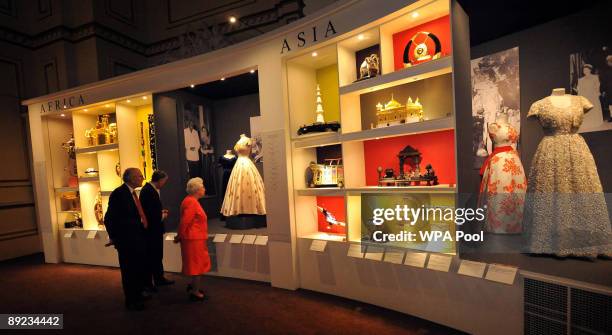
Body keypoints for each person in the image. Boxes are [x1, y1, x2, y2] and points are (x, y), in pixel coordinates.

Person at [104, 168, 148, 311]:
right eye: (140, 175)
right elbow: (109, 218)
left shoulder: (133, 193)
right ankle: (131, 300)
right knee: (129, 271)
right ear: (131, 178)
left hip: (137, 238)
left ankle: (138, 294)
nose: (142, 177)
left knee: (138, 268)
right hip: (127, 241)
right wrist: (114, 238)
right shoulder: (119, 194)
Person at [175, 177, 211, 301]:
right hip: (193, 240)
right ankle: (195, 291)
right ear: (197, 190)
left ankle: (193, 287)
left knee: (196, 265)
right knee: (197, 266)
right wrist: (179, 235)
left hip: (195, 239)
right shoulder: (191, 202)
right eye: (203, 187)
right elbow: (185, 222)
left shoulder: (191, 200)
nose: (204, 189)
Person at [139, 170, 174, 290]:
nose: (164, 184)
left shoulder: (149, 190)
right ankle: (151, 282)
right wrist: (162, 215)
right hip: (152, 230)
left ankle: (158, 278)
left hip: (154, 229)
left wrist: (160, 213)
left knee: (157, 255)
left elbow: (151, 209)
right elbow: (149, 212)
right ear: (159, 180)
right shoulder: (148, 191)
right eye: (164, 181)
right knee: (153, 255)